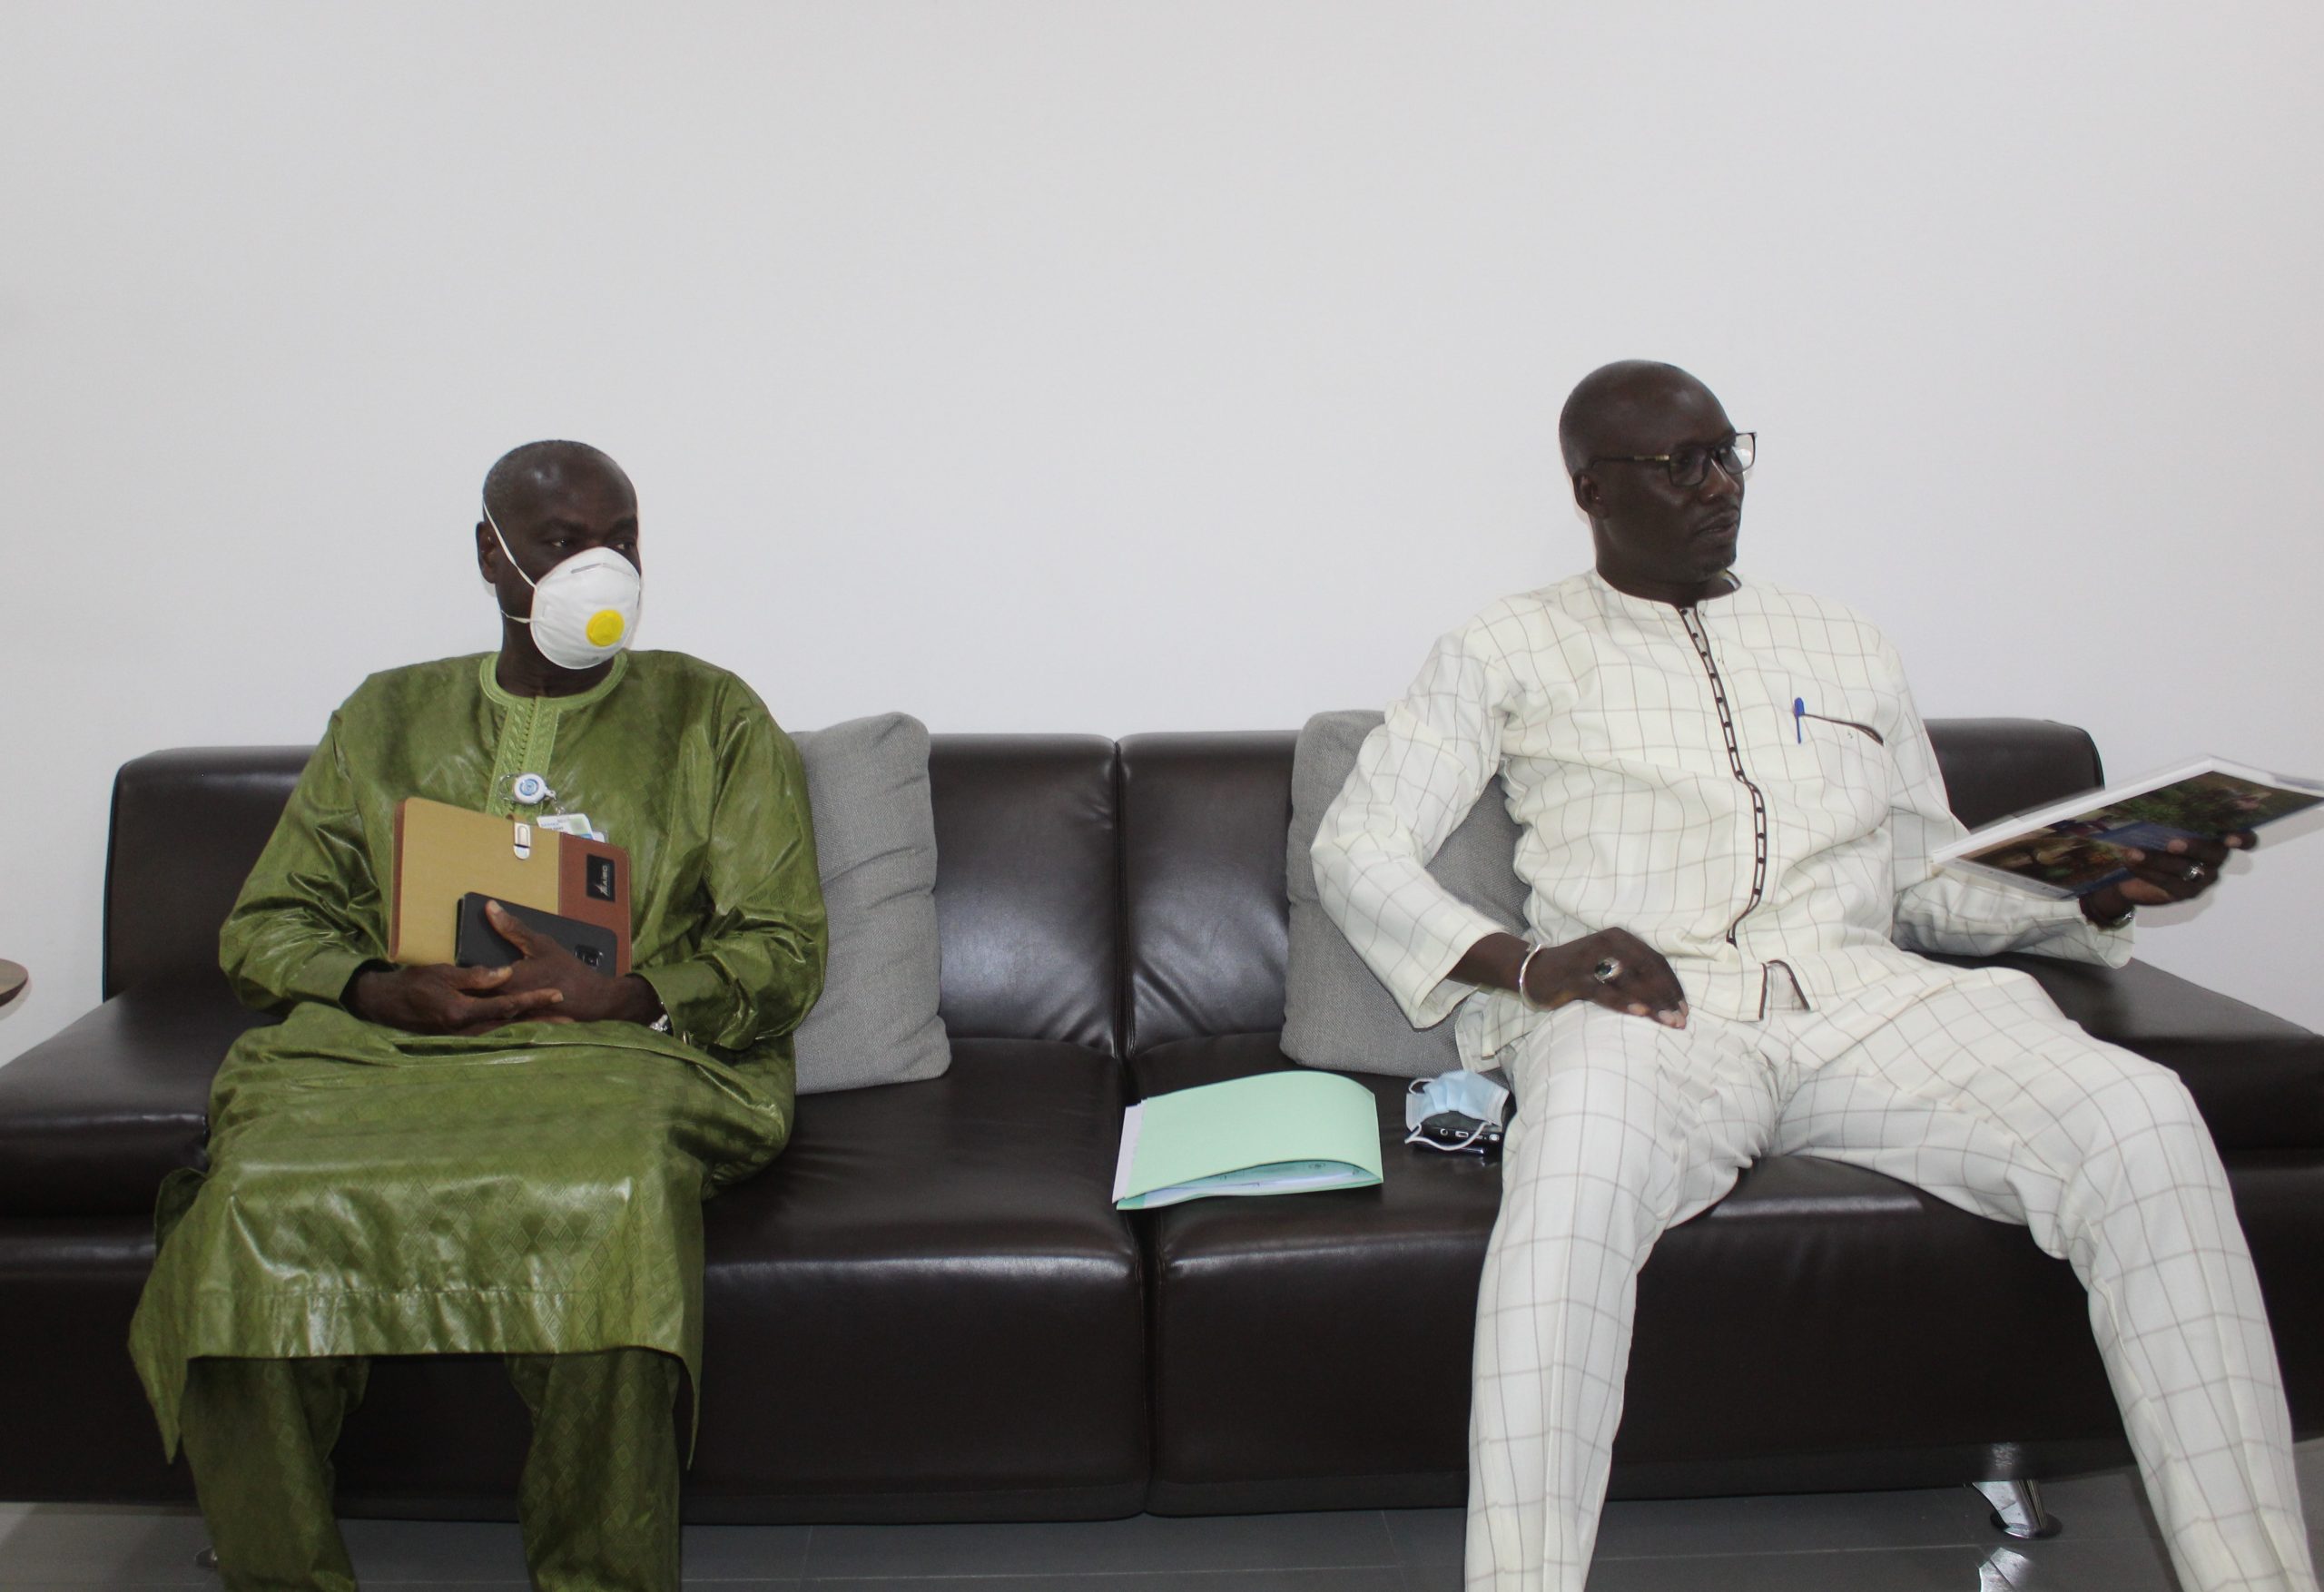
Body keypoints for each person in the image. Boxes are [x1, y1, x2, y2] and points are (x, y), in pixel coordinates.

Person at [1310, 361, 2315, 1592]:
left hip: (1863, 997)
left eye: (1727, 451)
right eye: (1680, 465)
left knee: (2142, 1115)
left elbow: (1926, 882)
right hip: (1647, 1010)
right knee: (1570, 1178)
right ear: (1590, 492)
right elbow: (1357, 846)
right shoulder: (1502, 645)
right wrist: (1531, 963)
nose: (1719, 484)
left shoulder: (1845, 642)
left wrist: (2097, 888)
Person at [128, 441, 828, 1592]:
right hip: (386, 1054)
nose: (602, 565)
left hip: (623, 1058)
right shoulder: (386, 717)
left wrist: (633, 992)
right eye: (562, 540)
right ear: (492, 556)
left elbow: (785, 946)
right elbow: (266, 925)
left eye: (622, 537)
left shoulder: (711, 714)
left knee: (608, 1195)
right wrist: (377, 984)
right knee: (243, 1200)